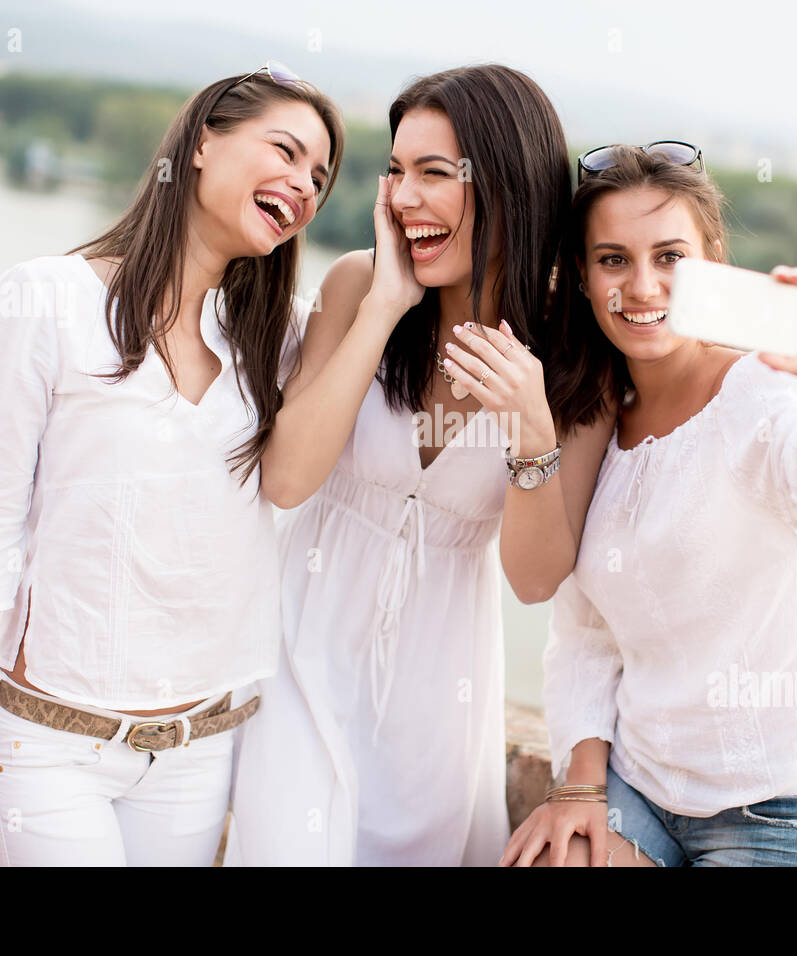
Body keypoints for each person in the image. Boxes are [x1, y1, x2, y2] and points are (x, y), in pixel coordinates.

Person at [0, 64, 344, 866]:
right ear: (204, 143)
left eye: (319, 176)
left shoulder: (274, 342)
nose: (304, 185)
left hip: (199, 753)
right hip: (48, 751)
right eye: (284, 151)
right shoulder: (45, 299)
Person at [227, 65, 613, 866]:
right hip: (300, 650)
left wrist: (531, 429)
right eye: (396, 171)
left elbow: (536, 579)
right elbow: (285, 479)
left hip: (440, 697)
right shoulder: (358, 286)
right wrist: (383, 309)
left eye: (434, 174)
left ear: (507, 187)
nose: (403, 198)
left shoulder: (574, 355)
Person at [502, 143, 797, 867]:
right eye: (612, 259)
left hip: (774, 801)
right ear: (582, 278)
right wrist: (582, 785)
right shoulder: (593, 417)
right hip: (640, 785)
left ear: (709, 259)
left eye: (670, 256)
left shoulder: (760, 393)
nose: (642, 285)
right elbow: (584, 630)